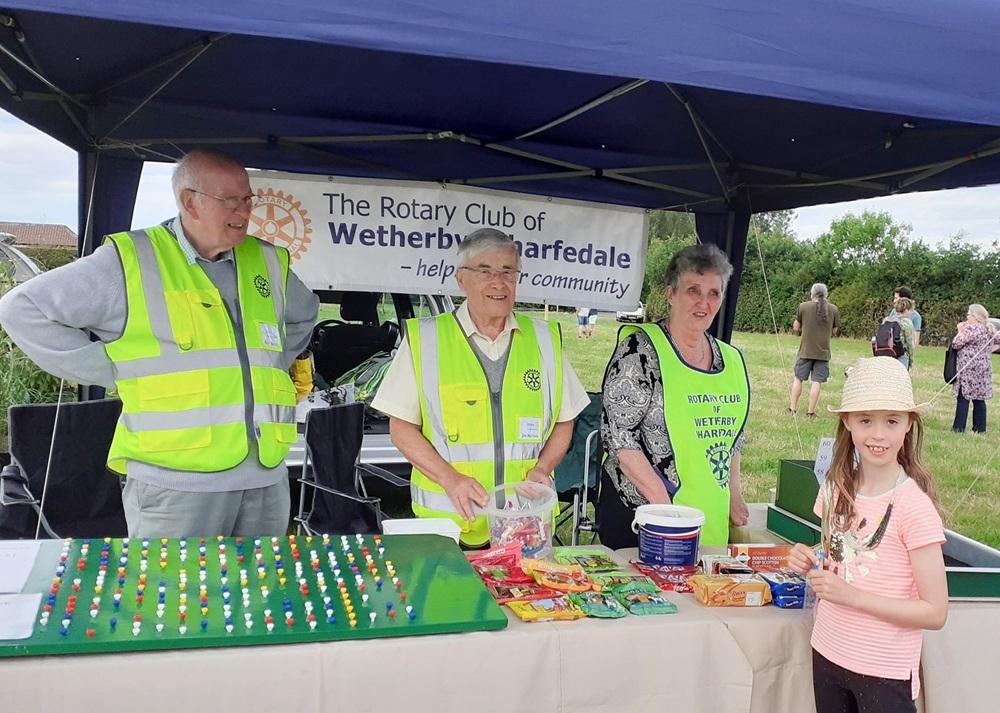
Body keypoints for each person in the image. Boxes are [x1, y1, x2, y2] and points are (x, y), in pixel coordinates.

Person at [0, 150, 319, 537]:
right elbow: (22, 309)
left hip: (266, 479)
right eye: (231, 200)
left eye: (248, 199)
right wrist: (111, 368)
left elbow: (305, 313)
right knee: (174, 580)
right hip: (175, 485)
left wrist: (269, 363)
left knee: (262, 579)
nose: (244, 211)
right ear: (190, 202)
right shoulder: (132, 261)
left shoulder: (266, 260)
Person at [371, 228, 589, 547]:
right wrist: (450, 479)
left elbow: (564, 419)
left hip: (524, 522)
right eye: (485, 271)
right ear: (461, 279)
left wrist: (543, 467)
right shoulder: (426, 340)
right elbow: (401, 429)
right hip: (450, 525)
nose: (498, 283)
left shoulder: (545, 339)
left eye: (508, 271)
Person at [789, 357, 947, 713]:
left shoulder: (914, 508)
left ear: (908, 424)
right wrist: (808, 556)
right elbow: (839, 553)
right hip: (827, 651)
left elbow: (935, 611)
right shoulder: (834, 488)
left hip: (884, 669)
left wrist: (853, 597)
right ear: (847, 422)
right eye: (865, 420)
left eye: (891, 421)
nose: (878, 434)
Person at [599, 243, 749, 549]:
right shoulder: (639, 352)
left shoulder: (732, 360)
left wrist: (734, 495)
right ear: (671, 294)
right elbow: (619, 438)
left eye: (714, 293)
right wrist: (666, 512)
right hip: (644, 518)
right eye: (693, 290)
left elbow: (733, 439)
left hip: (708, 516)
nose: (703, 303)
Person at [788, 282, 840, 417]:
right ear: (826, 294)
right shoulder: (833, 309)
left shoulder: (803, 306)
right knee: (816, 382)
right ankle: (810, 412)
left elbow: (796, 328)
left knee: (798, 379)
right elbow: (835, 331)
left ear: (812, 294)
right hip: (823, 352)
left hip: (805, 350)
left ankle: (792, 409)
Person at [950, 304, 1000, 433]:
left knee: (963, 397)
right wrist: (989, 350)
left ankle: (958, 428)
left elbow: (956, 344)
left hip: (968, 368)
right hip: (983, 368)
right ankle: (980, 428)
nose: (967, 317)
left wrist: (960, 330)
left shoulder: (972, 329)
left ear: (975, 316)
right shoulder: (989, 328)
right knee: (979, 398)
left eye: (969, 314)